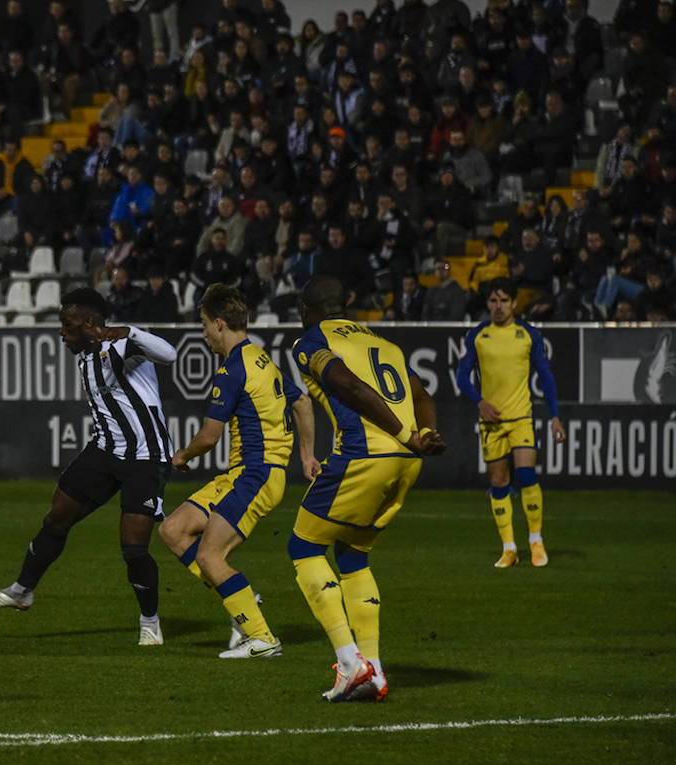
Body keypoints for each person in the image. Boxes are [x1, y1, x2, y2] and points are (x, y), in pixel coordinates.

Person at [0, 289, 176, 645]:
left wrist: (129, 331)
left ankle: (150, 621)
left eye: (67, 325)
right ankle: (22, 590)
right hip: (104, 450)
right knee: (57, 516)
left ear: (89, 323)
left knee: (133, 545)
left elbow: (170, 354)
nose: (61, 332)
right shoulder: (85, 354)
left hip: (146, 456)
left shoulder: (121, 345)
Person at [287, 276, 446, 702]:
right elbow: (421, 393)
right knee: (353, 555)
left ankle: (350, 660)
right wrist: (423, 432)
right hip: (407, 462)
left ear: (306, 310)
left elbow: (349, 386)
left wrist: (403, 432)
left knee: (303, 547)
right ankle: (373, 670)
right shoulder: (385, 344)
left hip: (364, 455)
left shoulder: (311, 340)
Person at [158, 284, 306, 659]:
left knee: (209, 557)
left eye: (205, 324)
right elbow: (302, 402)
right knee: (173, 530)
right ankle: (240, 598)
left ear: (220, 323)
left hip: (256, 475)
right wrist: (306, 455)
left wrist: (183, 455)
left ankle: (262, 638)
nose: (203, 332)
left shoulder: (232, 369)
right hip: (246, 473)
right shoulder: (261, 359)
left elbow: (209, 437)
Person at [456, 280, 566, 568]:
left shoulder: (528, 334)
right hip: (491, 422)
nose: (498, 306)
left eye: (504, 300)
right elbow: (461, 377)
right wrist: (480, 402)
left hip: (521, 418)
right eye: (493, 301)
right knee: (498, 482)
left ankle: (536, 541)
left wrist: (555, 416)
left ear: (515, 303)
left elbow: (546, 376)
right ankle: (509, 548)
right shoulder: (478, 335)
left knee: (527, 475)